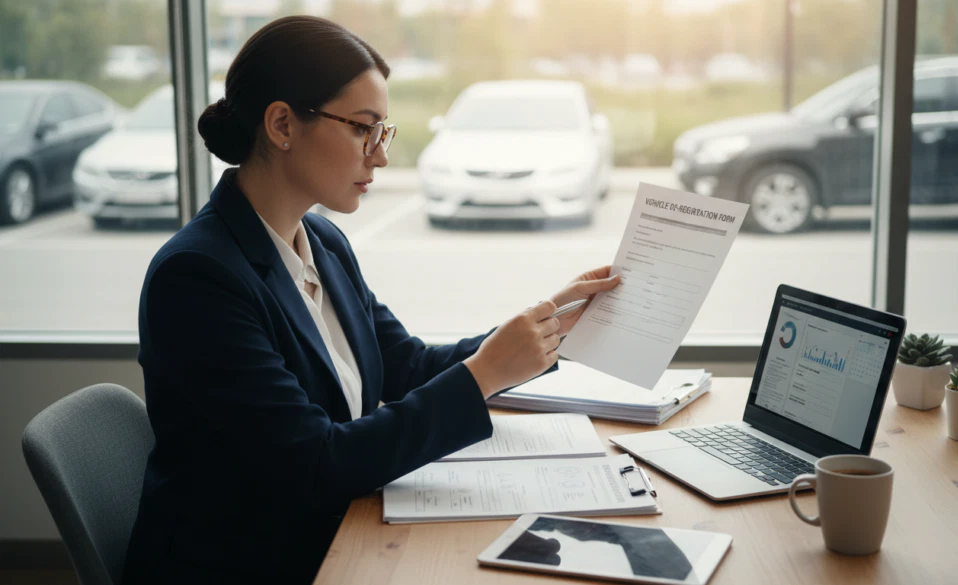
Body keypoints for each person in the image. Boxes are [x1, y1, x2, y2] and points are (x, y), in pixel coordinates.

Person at [121, 15, 619, 585]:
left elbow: (405, 366)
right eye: (363, 129)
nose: (379, 157)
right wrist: (482, 375)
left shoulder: (323, 241)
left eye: (383, 132)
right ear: (282, 124)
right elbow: (315, 465)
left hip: (329, 532)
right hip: (249, 562)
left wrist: (549, 325)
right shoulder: (198, 278)